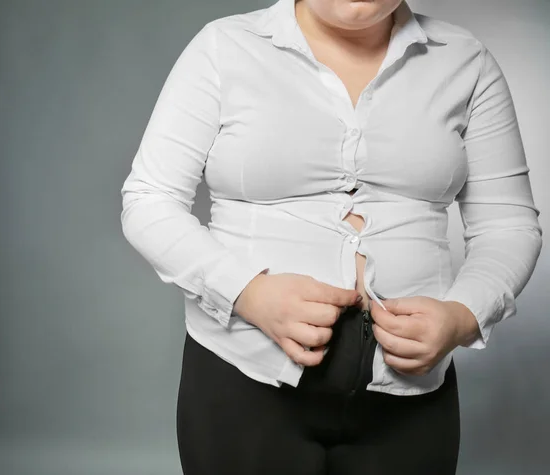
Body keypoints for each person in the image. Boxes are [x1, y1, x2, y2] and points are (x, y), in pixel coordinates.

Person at [120, 0, 543, 473]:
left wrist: (464, 315)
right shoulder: (224, 47)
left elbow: (508, 225)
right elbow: (149, 200)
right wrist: (248, 292)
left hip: (411, 397)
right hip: (243, 375)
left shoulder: (467, 62)